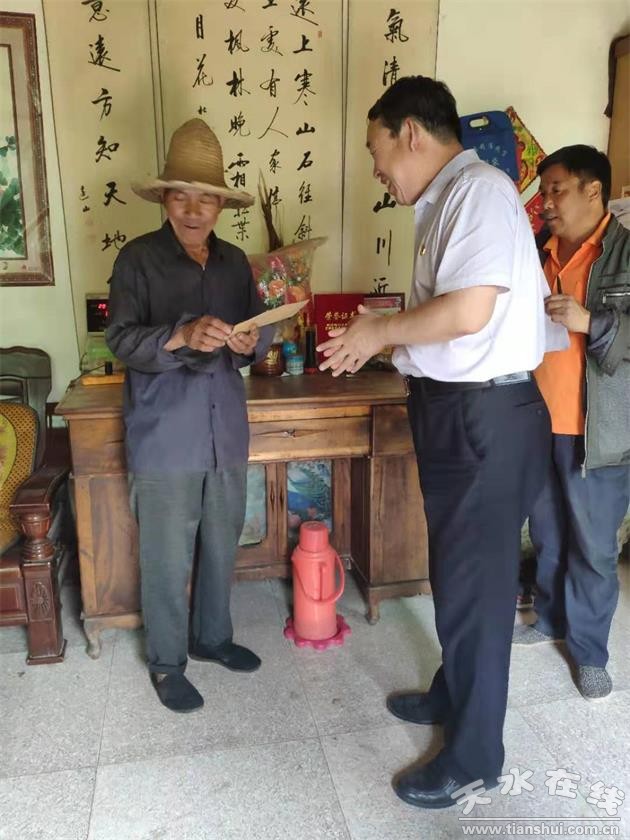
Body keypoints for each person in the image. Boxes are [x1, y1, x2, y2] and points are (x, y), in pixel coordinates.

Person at [317, 76, 553, 808]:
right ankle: (455, 693)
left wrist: (380, 332)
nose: (376, 169)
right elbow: (448, 320)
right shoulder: (449, 199)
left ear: (410, 134)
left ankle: (476, 758)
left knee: (476, 590)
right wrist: (384, 341)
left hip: (484, 418)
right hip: (460, 412)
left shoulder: (478, 191)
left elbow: (468, 312)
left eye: (376, 150)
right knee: (457, 575)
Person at [106, 118, 272, 713]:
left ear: (221, 205)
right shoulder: (138, 260)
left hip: (224, 428)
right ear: (165, 200)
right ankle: (167, 662)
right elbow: (120, 339)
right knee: (166, 554)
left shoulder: (235, 263)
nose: (194, 209)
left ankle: (212, 638)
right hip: (165, 433)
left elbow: (259, 331)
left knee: (222, 540)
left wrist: (253, 342)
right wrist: (180, 335)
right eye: (182, 196)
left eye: (206, 198)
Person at [512, 146, 630, 700]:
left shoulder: (625, 254)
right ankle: (552, 619)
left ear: (593, 190)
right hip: (538, 422)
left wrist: (592, 322)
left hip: (597, 433)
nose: (546, 202)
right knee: (549, 534)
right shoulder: (537, 250)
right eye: (543, 191)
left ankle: (589, 652)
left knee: (594, 548)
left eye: (556, 189)